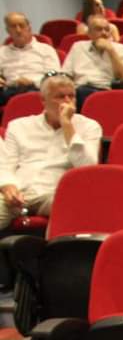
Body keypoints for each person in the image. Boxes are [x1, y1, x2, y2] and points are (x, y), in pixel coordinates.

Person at [0, 74, 101, 229]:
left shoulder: (89, 127)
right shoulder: (19, 126)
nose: (67, 101)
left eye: (71, 96)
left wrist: (67, 125)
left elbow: (87, 168)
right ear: (43, 100)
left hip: (55, 194)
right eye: (60, 97)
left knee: (74, 207)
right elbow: (6, 164)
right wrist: (8, 186)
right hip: (19, 193)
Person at [61, 14, 123, 109]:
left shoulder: (122, 49)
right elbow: (65, 75)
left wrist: (111, 51)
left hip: (105, 91)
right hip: (78, 90)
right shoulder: (78, 47)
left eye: (107, 29)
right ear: (89, 33)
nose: (104, 33)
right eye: (99, 29)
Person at [0, 12, 60, 106]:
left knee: (31, 95)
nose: (18, 30)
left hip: (37, 89)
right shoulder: (2, 52)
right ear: (8, 31)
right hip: (8, 90)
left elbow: (54, 75)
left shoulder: (46, 49)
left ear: (29, 27)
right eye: (13, 26)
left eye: (21, 25)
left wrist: (33, 82)